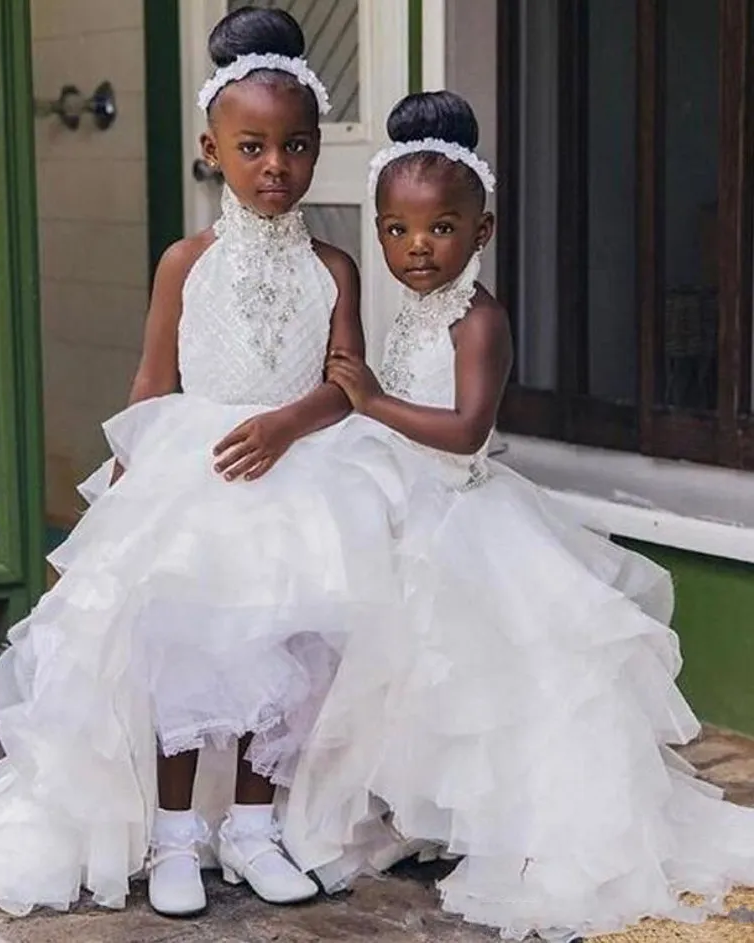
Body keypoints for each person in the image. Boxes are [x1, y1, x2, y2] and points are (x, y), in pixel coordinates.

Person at [0, 6, 403, 920]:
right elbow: (153, 379)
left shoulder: (335, 265)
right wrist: (119, 507)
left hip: (299, 478)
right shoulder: (184, 262)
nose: (275, 167)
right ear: (212, 149)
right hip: (195, 483)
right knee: (184, 658)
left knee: (277, 658)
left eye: (295, 147)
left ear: (316, 151)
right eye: (252, 147)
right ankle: (174, 837)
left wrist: (286, 423)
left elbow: (350, 379)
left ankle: (250, 826)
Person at [282, 91, 754, 943]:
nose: (417, 249)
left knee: (481, 678)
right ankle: (419, 809)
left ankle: (506, 824)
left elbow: (465, 433)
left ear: (482, 231)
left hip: (461, 511)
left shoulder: (480, 320)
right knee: (404, 672)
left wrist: (375, 403)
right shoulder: (419, 309)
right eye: (396, 231)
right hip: (400, 500)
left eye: (441, 230)